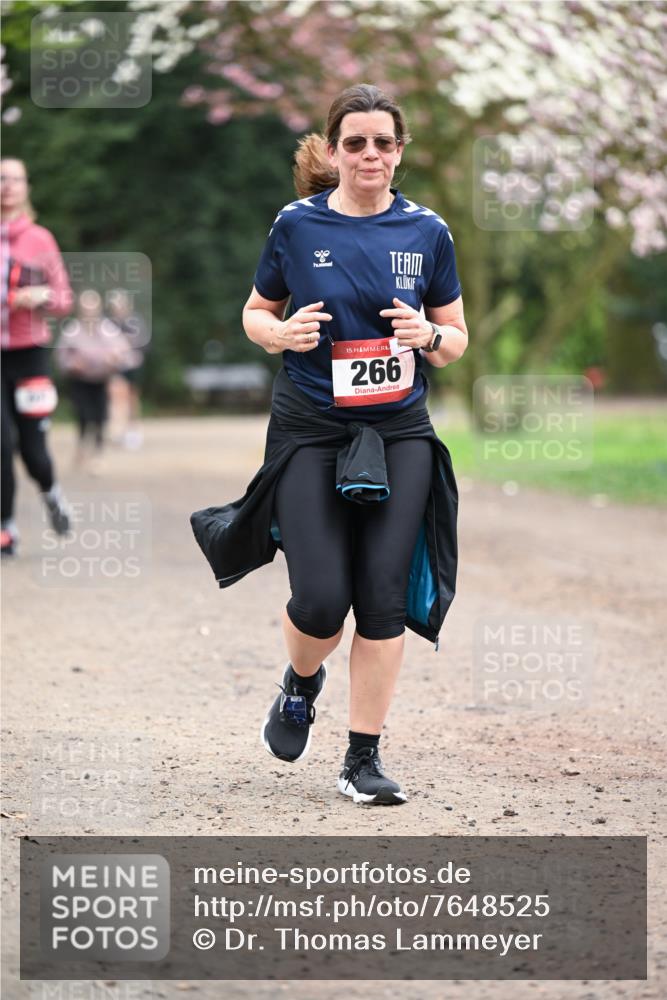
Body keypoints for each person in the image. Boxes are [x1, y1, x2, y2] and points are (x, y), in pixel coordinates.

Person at [191, 84, 468, 805]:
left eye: (382, 142)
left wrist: (429, 336)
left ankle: (361, 759)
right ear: (333, 149)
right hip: (311, 426)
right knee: (319, 600)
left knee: (380, 598)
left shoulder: (427, 231)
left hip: (398, 429)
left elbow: (454, 340)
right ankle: (300, 682)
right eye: (355, 142)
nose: (369, 154)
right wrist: (279, 334)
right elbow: (256, 312)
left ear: (399, 150)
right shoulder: (295, 225)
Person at [1, 157, 73, 557]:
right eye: (0, 179)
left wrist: (42, 296)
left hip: (29, 356)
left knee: (32, 447)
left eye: (14, 179)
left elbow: (64, 299)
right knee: (0, 442)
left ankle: (51, 492)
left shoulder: (40, 239)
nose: (7, 186)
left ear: (26, 187)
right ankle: (5, 526)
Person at [56, 289, 140, 474]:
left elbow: (125, 354)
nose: (89, 311)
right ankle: (81, 448)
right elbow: (61, 357)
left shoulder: (108, 330)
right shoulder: (72, 331)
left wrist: (115, 360)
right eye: (85, 307)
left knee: (101, 418)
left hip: (101, 380)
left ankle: (98, 455)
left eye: (92, 307)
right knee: (83, 416)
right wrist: (71, 365)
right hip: (79, 381)